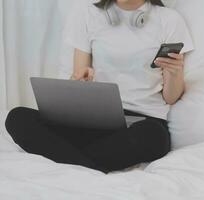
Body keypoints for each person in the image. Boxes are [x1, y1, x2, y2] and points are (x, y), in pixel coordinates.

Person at [5, 0, 194, 173]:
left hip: (141, 123)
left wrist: (175, 73)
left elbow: (170, 98)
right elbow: (80, 74)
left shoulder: (169, 20)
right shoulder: (87, 14)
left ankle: (70, 160)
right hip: (96, 118)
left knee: (154, 138)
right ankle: (90, 167)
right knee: (17, 117)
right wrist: (79, 81)